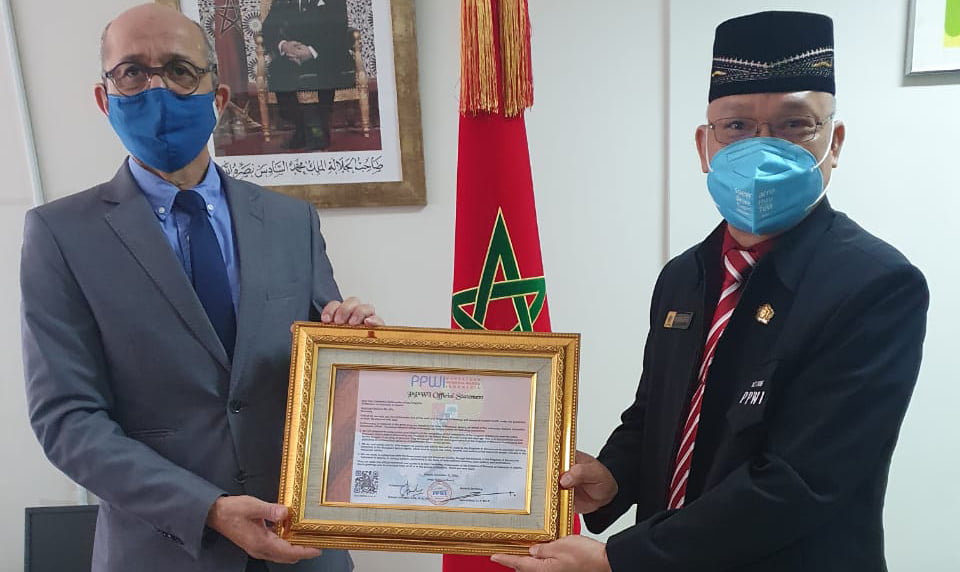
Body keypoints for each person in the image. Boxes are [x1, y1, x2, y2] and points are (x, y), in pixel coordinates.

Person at [492, 11, 928, 572]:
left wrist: (619, 558)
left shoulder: (876, 286)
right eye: (737, 126)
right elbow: (656, 412)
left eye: (795, 124)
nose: (764, 147)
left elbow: (802, 481)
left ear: (834, 142)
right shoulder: (685, 275)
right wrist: (614, 476)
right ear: (704, 146)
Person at [21, 4, 379, 571]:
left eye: (179, 70)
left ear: (218, 96)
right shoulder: (60, 235)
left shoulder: (292, 221)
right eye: (132, 72)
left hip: (303, 548)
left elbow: (323, 371)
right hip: (162, 551)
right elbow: (67, 419)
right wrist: (205, 508)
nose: (157, 88)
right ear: (104, 98)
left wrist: (359, 349)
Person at [262, 0, 355, 151]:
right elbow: (268, 28)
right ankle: (301, 126)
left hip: (326, 53)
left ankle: (320, 130)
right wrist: (284, 45)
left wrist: (311, 52)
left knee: (326, 69)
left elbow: (338, 29)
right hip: (292, 54)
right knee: (278, 70)